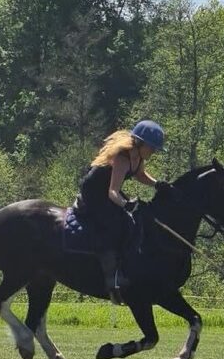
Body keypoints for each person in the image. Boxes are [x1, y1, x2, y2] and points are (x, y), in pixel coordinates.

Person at [72, 120, 168, 303]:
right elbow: (113, 192)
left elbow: (139, 175)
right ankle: (112, 278)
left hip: (108, 191)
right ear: (140, 143)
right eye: (152, 148)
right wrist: (126, 205)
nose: (153, 152)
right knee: (116, 226)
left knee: (133, 223)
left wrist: (157, 184)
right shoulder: (123, 157)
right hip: (95, 192)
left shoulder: (138, 157)